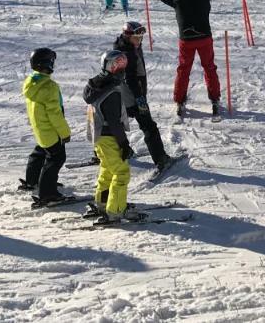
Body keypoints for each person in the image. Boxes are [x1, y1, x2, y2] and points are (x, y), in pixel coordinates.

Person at [137, 0, 246, 118]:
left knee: (183, 70)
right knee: (209, 68)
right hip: (204, 38)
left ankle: (180, 101)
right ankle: (214, 100)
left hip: (186, 40)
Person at [113, 21, 176, 173]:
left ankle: (122, 150)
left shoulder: (124, 48)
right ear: (127, 37)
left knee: (118, 124)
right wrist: (140, 98)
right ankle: (161, 159)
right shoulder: (127, 54)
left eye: (141, 38)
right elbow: (131, 79)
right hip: (133, 98)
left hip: (122, 97)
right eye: (136, 38)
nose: (139, 41)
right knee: (149, 127)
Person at [83, 50, 137, 224]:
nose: (121, 70)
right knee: (121, 173)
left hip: (99, 137)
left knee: (107, 169)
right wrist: (124, 144)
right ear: (108, 67)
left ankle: (104, 202)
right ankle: (115, 210)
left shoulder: (96, 85)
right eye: (117, 66)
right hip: (109, 137)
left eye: (123, 66)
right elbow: (114, 122)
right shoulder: (111, 92)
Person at [20, 47, 71, 207]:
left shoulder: (31, 82)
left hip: (40, 129)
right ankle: (47, 193)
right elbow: (55, 114)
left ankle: (32, 180)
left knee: (40, 152)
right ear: (47, 64)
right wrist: (64, 133)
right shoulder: (49, 87)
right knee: (56, 158)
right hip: (50, 130)